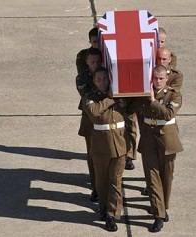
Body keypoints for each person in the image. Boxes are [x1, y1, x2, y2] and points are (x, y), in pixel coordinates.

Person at [127, 65, 183, 232]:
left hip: (167, 140)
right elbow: (129, 108)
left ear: (166, 79)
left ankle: (163, 207)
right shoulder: (144, 94)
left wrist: (152, 101)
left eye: (161, 78)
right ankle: (158, 214)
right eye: (155, 78)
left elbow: (168, 114)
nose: (157, 82)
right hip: (149, 139)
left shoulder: (174, 94)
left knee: (167, 176)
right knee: (152, 178)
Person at [82, 67, 129, 232]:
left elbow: (133, 107)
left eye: (105, 78)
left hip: (119, 144)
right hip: (100, 146)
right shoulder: (89, 98)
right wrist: (111, 97)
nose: (102, 81)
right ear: (94, 82)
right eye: (99, 79)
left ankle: (112, 215)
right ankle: (103, 206)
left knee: (115, 181)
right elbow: (94, 113)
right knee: (101, 181)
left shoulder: (120, 96)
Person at [76, 48, 102, 202]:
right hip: (90, 120)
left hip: (107, 121)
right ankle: (96, 187)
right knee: (92, 155)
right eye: (92, 62)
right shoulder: (82, 78)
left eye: (98, 61)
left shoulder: (108, 74)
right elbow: (89, 99)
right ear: (86, 62)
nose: (95, 64)